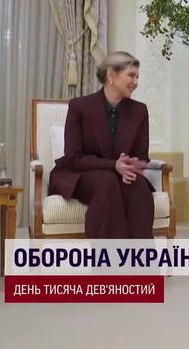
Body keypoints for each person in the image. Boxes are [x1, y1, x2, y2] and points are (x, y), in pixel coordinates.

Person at [49, 51, 154, 239]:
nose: (136, 82)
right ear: (112, 75)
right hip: (83, 174)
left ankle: (141, 257)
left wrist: (133, 164)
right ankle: (109, 257)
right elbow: (74, 158)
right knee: (107, 182)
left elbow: (142, 156)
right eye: (131, 75)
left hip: (122, 174)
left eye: (137, 77)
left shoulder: (140, 111)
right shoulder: (79, 107)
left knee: (138, 186)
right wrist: (114, 166)